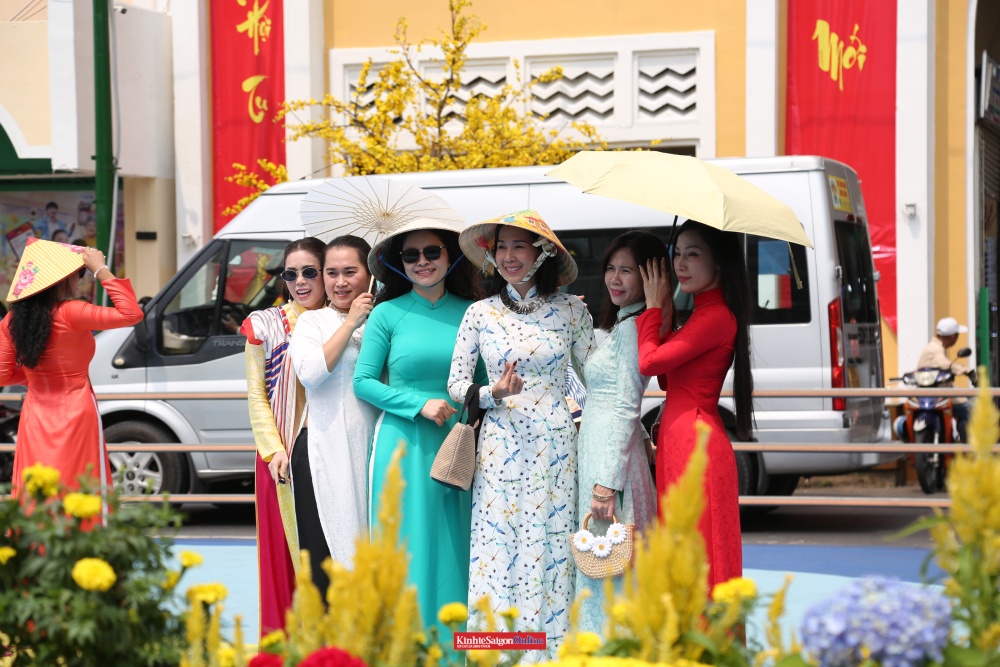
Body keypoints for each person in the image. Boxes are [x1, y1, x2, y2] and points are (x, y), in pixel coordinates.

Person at [448, 209, 594, 657]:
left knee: (550, 545)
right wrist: (492, 392)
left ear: (542, 252)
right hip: (499, 444)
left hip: (556, 445)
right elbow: (456, 385)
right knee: (497, 546)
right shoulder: (479, 313)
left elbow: (597, 378)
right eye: (501, 247)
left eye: (519, 246)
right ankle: (495, 655)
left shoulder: (572, 310)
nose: (508, 256)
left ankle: (549, 656)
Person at [353, 218, 485, 631]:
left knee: (457, 543)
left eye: (432, 252)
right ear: (399, 263)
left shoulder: (474, 312)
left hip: (460, 446)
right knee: (407, 543)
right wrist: (418, 404)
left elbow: (483, 383)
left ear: (451, 256)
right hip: (403, 445)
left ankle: (456, 647)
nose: (422, 261)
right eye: (411, 254)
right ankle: (405, 644)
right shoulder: (386, 313)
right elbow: (363, 382)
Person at [636, 220, 753, 590]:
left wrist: (652, 309)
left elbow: (648, 364)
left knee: (699, 554)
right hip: (681, 442)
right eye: (678, 253)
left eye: (693, 254)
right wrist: (665, 317)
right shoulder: (702, 314)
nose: (680, 263)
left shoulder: (716, 317)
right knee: (684, 550)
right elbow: (667, 379)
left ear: (718, 262)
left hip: (696, 446)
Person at [0, 239, 143, 509]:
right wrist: (101, 270)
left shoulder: (12, 321)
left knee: (36, 488)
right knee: (76, 483)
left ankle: (37, 535)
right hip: (76, 411)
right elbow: (131, 314)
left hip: (35, 415)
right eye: (78, 274)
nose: (79, 280)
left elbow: (3, 375)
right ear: (60, 279)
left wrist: (34, 376)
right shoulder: (72, 312)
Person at [574, 230, 664, 634]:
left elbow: (627, 404)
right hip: (611, 451)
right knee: (610, 559)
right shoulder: (629, 322)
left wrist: (606, 484)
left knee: (609, 562)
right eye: (610, 268)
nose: (615, 278)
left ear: (650, 276)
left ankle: (608, 646)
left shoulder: (631, 329)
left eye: (627, 270)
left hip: (610, 463)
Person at [240, 237, 327, 637]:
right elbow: (256, 394)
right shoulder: (267, 324)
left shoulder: (349, 319)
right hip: (282, 457)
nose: (300, 281)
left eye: (309, 271)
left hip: (335, 451)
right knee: (289, 560)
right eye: (291, 274)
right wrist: (274, 449)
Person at [288, 235, 378, 596]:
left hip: (374, 446)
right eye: (331, 273)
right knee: (326, 556)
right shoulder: (312, 322)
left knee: (373, 546)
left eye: (350, 272)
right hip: (323, 448)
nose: (340, 282)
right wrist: (350, 322)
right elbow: (310, 374)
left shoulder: (384, 318)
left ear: (369, 273)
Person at [917, 316, 973, 442]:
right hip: (937, 394)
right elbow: (946, 365)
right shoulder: (935, 349)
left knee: (969, 397)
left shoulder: (935, 347)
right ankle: (967, 446)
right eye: (957, 335)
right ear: (953, 337)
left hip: (937, 391)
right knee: (970, 409)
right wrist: (968, 372)